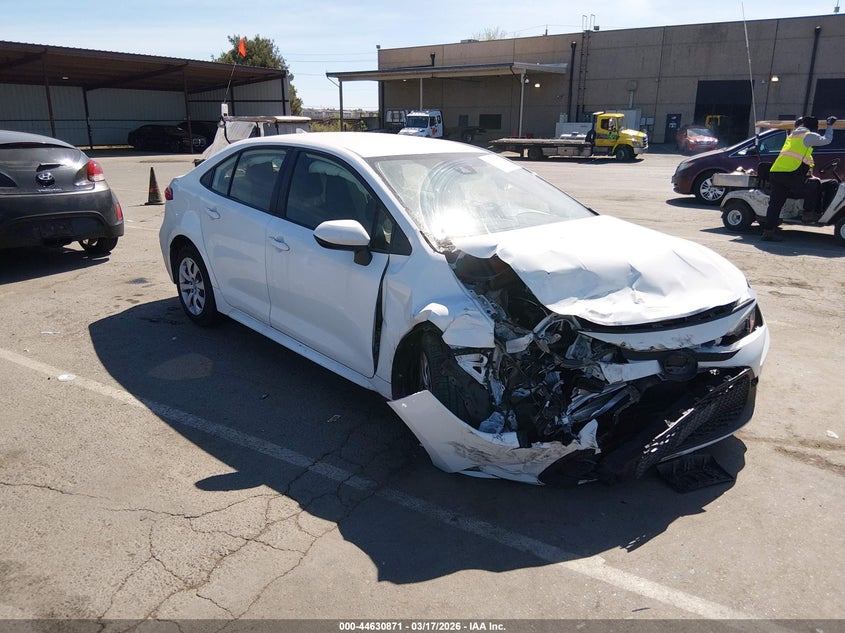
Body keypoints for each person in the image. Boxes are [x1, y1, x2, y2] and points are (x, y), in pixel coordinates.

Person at [761, 115, 837, 241]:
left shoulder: (793, 135)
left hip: (776, 172)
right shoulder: (808, 135)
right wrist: (829, 125)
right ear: (814, 127)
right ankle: (808, 214)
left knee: (775, 204)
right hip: (790, 173)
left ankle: (768, 232)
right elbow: (827, 140)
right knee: (814, 185)